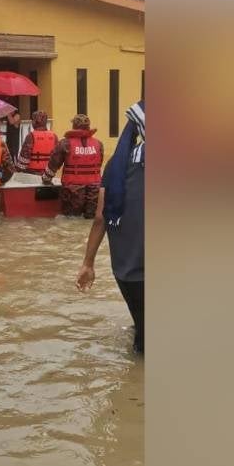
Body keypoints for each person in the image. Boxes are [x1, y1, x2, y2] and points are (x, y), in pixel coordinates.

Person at [76, 101, 145, 353]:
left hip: (127, 272)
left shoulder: (117, 164)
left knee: (144, 333)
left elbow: (100, 217)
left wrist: (88, 264)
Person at [42, 114, 104, 218]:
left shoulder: (65, 144)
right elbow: (99, 163)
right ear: (88, 127)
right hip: (95, 191)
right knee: (91, 221)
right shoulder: (99, 144)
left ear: (74, 126)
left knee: (71, 221)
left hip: (73, 190)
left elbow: (54, 164)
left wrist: (46, 179)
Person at [15, 110, 58, 175]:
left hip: (32, 174)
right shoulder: (54, 136)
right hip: (48, 174)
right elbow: (57, 158)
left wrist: (17, 170)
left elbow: (24, 159)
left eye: (33, 120)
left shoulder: (31, 136)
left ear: (35, 122)